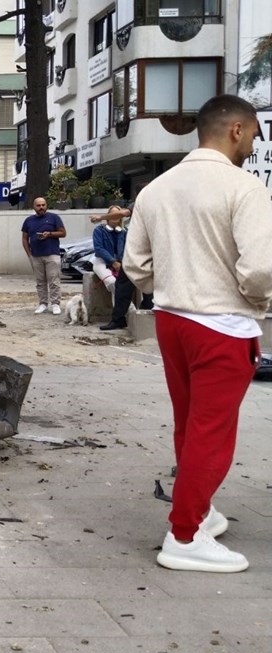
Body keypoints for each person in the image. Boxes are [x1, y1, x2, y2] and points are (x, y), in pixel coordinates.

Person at [124, 94, 272, 573]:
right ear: (236, 129)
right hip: (222, 323)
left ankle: (201, 512)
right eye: (253, 134)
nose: (253, 144)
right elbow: (260, 268)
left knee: (190, 425)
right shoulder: (243, 187)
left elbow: (135, 265)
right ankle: (185, 534)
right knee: (213, 433)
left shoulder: (156, 189)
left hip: (172, 319)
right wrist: (256, 301)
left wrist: (172, 283)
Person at [92, 205, 152, 330]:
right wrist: (113, 262)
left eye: (117, 214)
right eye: (112, 214)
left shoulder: (124, 232)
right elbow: (99, 249)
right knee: (118, 284)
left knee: (144, 283)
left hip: (130, 258)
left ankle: (142, 310)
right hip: (108, 261)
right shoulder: (100, 230)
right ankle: (126, 314)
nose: (116, 217)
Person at [21, 197, 65, 315]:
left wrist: (49, 234)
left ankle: (55, 304)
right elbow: (25, 238)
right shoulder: (28, 220)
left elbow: (63, 233)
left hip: (52, 254)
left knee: (54, 280)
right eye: (38, 205)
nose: (41, 207)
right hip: (36, 255)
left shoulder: (54, 218)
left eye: (43, 205)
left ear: (46, 205)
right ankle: (43, 303)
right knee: (40, 281)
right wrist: (29, 254)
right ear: (34, 207)